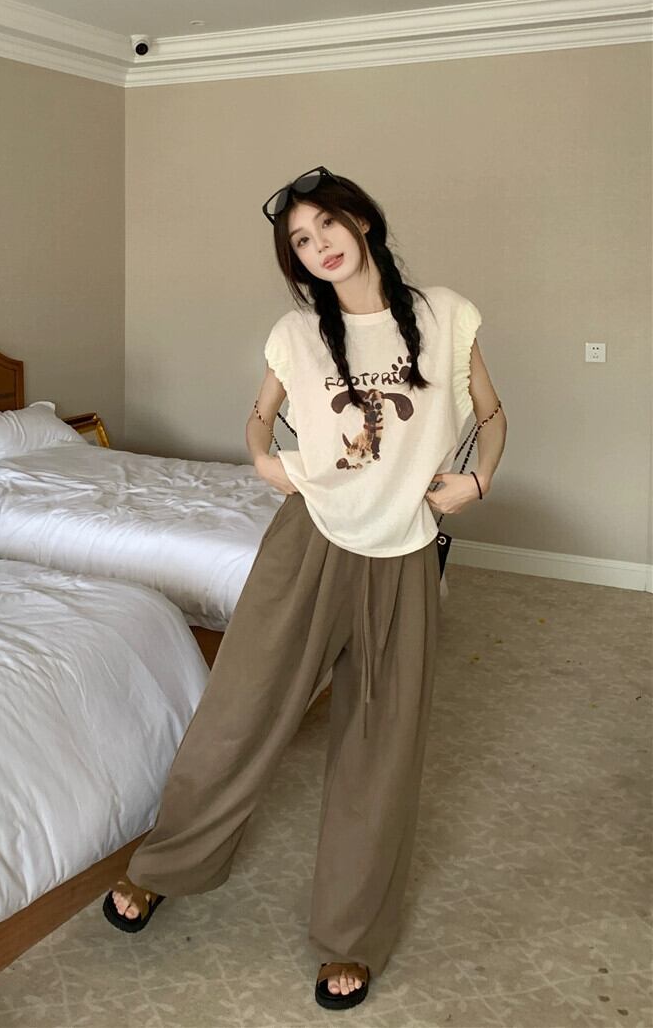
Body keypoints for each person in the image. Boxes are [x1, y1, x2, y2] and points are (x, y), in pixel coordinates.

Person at [102, 165, 507, 1011]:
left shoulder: (443, 315)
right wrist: (263, 460)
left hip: (405, 553)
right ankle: (169, 863)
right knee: (238, 710)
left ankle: (350, 936)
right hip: (308, 543)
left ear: (363, 221)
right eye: (299, 239)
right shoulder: (296, 333)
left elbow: (492, 412)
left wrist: (478, 481)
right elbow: (260, 417)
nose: (317, 245)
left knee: (379, 747)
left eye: (326, 224)